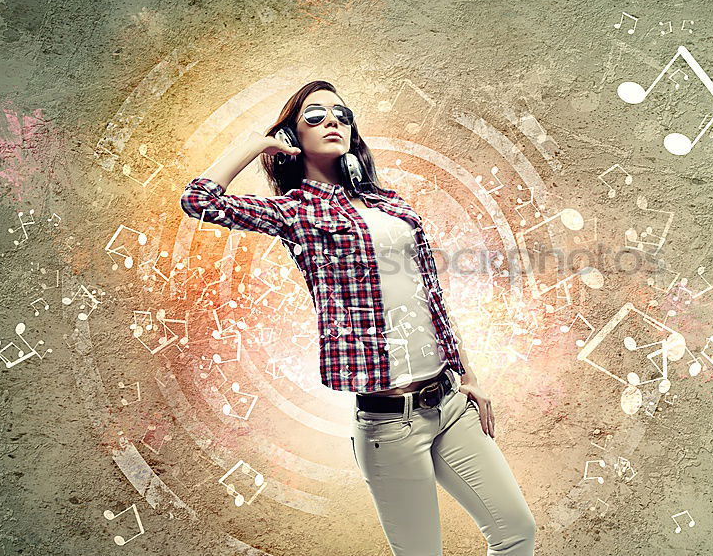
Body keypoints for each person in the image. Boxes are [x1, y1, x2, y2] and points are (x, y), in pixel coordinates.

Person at [179, 80, 535, 555]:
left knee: (516, 531)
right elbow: (199, 200)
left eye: (341, 113)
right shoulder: (295, 213)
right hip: (390, 424)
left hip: (449, 403)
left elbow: (428, 295)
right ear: (293, 135)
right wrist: (262, 143)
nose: (332, 121)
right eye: (315, 115)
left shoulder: (393, 204)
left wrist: (468, 372)